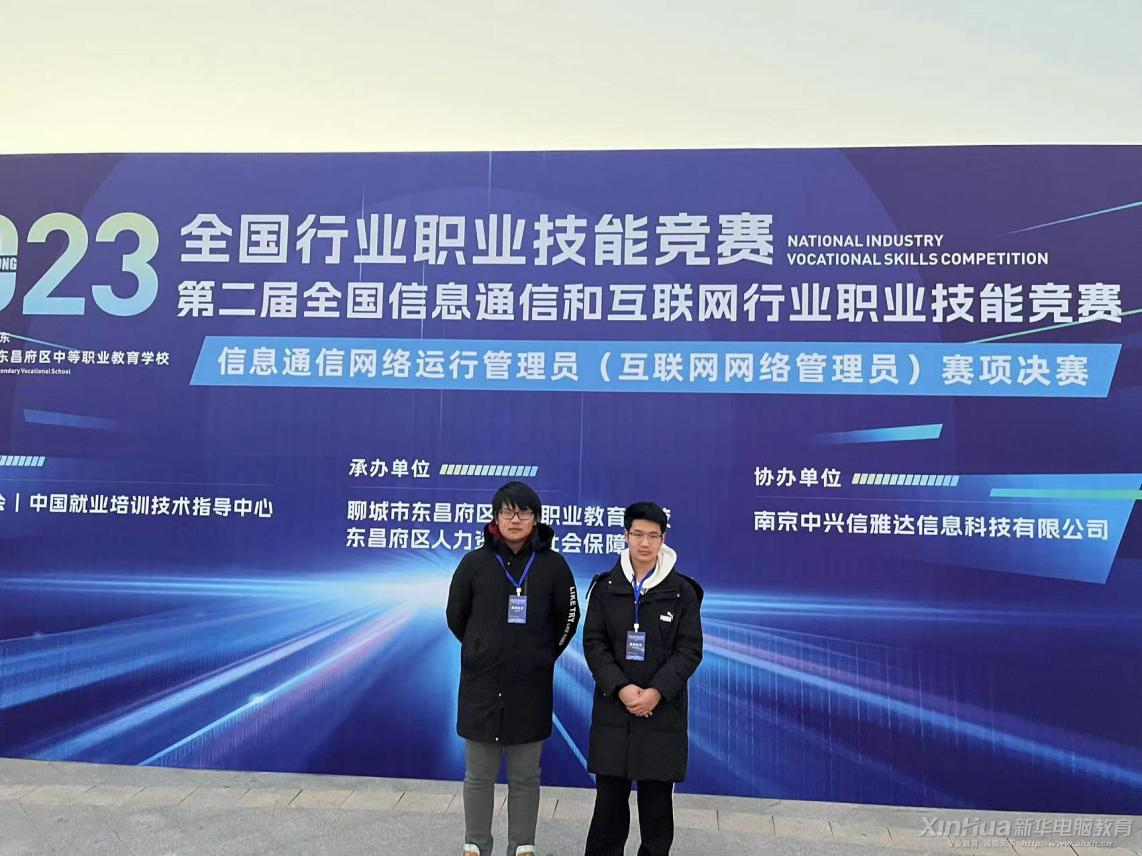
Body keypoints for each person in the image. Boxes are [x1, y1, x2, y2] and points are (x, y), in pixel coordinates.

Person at [446, 481, 580, 856]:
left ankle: (523, 846)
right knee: (478, 775)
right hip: (481, 686)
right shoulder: (474, 563)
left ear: (535, 518)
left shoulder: (554, 566)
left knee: (525, 776)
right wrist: (480, 649)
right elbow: (456, 616)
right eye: (507, 511)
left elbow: (569, 618)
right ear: (496, 518)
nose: (515, 519)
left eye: (523, 512)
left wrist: (541, 655)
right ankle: (475, 845)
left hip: (530, 687)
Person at [582, 501, 703, 856]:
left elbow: (689, 649)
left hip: (662, 712)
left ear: (663, 538)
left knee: (656, 808)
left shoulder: (682, 591)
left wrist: (656, 692)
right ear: (626, 535)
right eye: (637, 534)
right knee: (608, 806)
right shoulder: (606, 587)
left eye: (653, 535)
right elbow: (594, 643)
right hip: (613, 708)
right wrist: (621, 688)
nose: (645, 543)